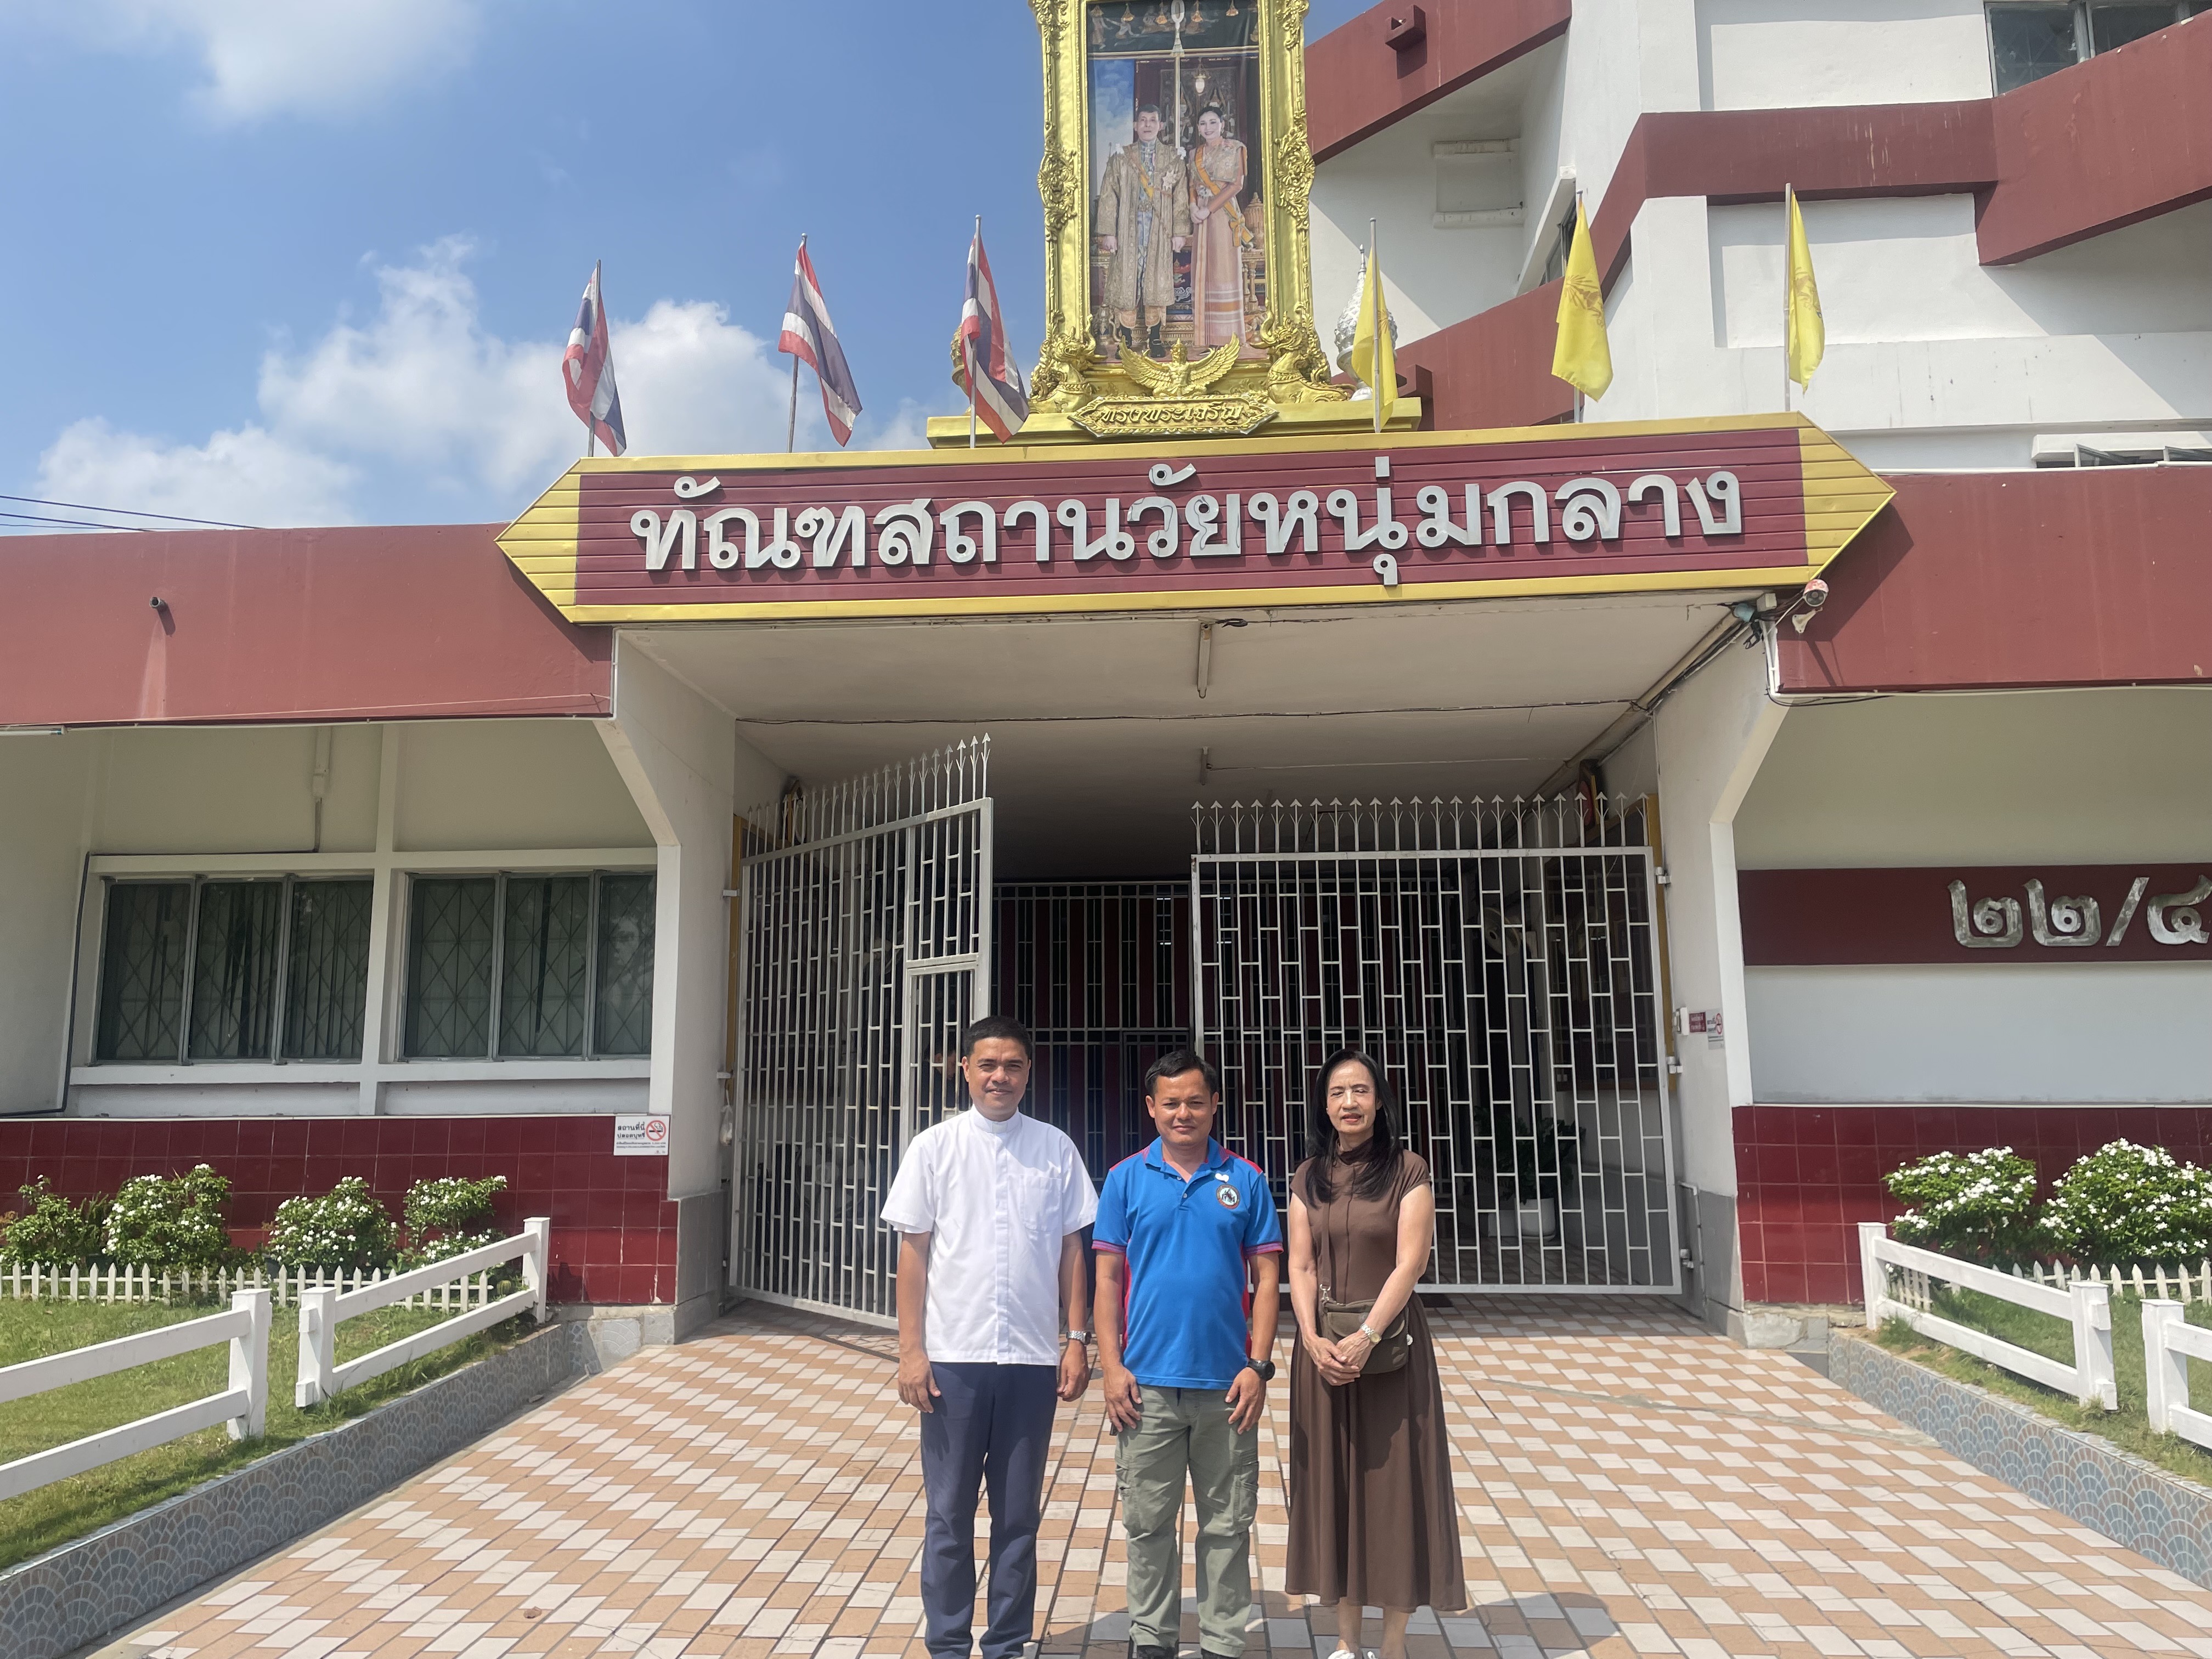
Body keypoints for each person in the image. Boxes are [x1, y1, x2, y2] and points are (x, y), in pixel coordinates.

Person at [881, 1013, 1098, 1659]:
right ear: (965, 1070)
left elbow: (1073, 1250)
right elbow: (913, 1255)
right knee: (948, 1515)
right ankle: (947, 1644)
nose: (1000, 1076)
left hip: (1030, 1361)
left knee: (1018, 1518)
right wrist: (911, 1352)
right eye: (988, 1065)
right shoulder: (934, 1148)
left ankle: (1006, 1644)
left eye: (1013, 1066)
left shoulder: (1056, 1149)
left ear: (1029, 1073)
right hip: (953, 1362)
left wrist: (1076, 1338)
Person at [1093, 1049, 1281, 1659]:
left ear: (1215, 1104)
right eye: (1171, 1103)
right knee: (1148, 1525)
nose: (1184, 1113)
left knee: (1227, 1526)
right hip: (1145, 1387)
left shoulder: (1246, 1179)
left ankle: (1223, 1642)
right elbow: (1107, 1280)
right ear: (1151, 1107)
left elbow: (1268, 1280)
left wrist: (1257, 1366)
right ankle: (1152, 1640)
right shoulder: (1125, 1179)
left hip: (1227, 1388)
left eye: (1196, 1102)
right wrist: (1111, 1367)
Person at [1284, 1048, 1466, 1659]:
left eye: (1361, 1091)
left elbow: (1411, 1263)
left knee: (1393, 1492)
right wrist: (1311, 1338)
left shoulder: (1408, 1170)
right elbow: (1301, 1264)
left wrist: (1366, 1336)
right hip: (1323, 1355)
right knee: (1333, 1488)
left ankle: (1392, 1646)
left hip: (1391, 1354)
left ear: (1380, 1101)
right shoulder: (1308, 1176)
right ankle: (1346, 1642)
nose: (1349, 1103)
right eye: (1337, 1092)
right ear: (1324, 1105)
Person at [1095, 104, 1190, 360]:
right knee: (1127, 282)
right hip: (1128, 231)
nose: (1148, 125)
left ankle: (1155, 337)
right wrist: (1109, 232)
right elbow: (1109, 196)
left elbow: (1181, 197)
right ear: (1136, 126)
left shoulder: (1173, 158)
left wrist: (1180, 232)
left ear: (1161, 126)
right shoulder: (1121, 158)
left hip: (1159, 231)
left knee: (1156, 281)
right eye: (1143, 120)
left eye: (1153, 120)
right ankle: (1126, 339)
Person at [1187, 106, 1252, 351]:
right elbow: (1192, 185)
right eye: (1203, 123)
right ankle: (1206, 337)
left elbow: (1236, 185)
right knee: (1203, 271)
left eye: (1213, 122)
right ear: (1198, 128)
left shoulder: (1235, 148)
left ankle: (1229, 337)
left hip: (1223, 214)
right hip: (1201, 216)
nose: (1208, 128)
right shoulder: (1195, 154)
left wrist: (1209, 209)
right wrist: (1193, 207)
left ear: (1223, 125)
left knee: (1223, 270)